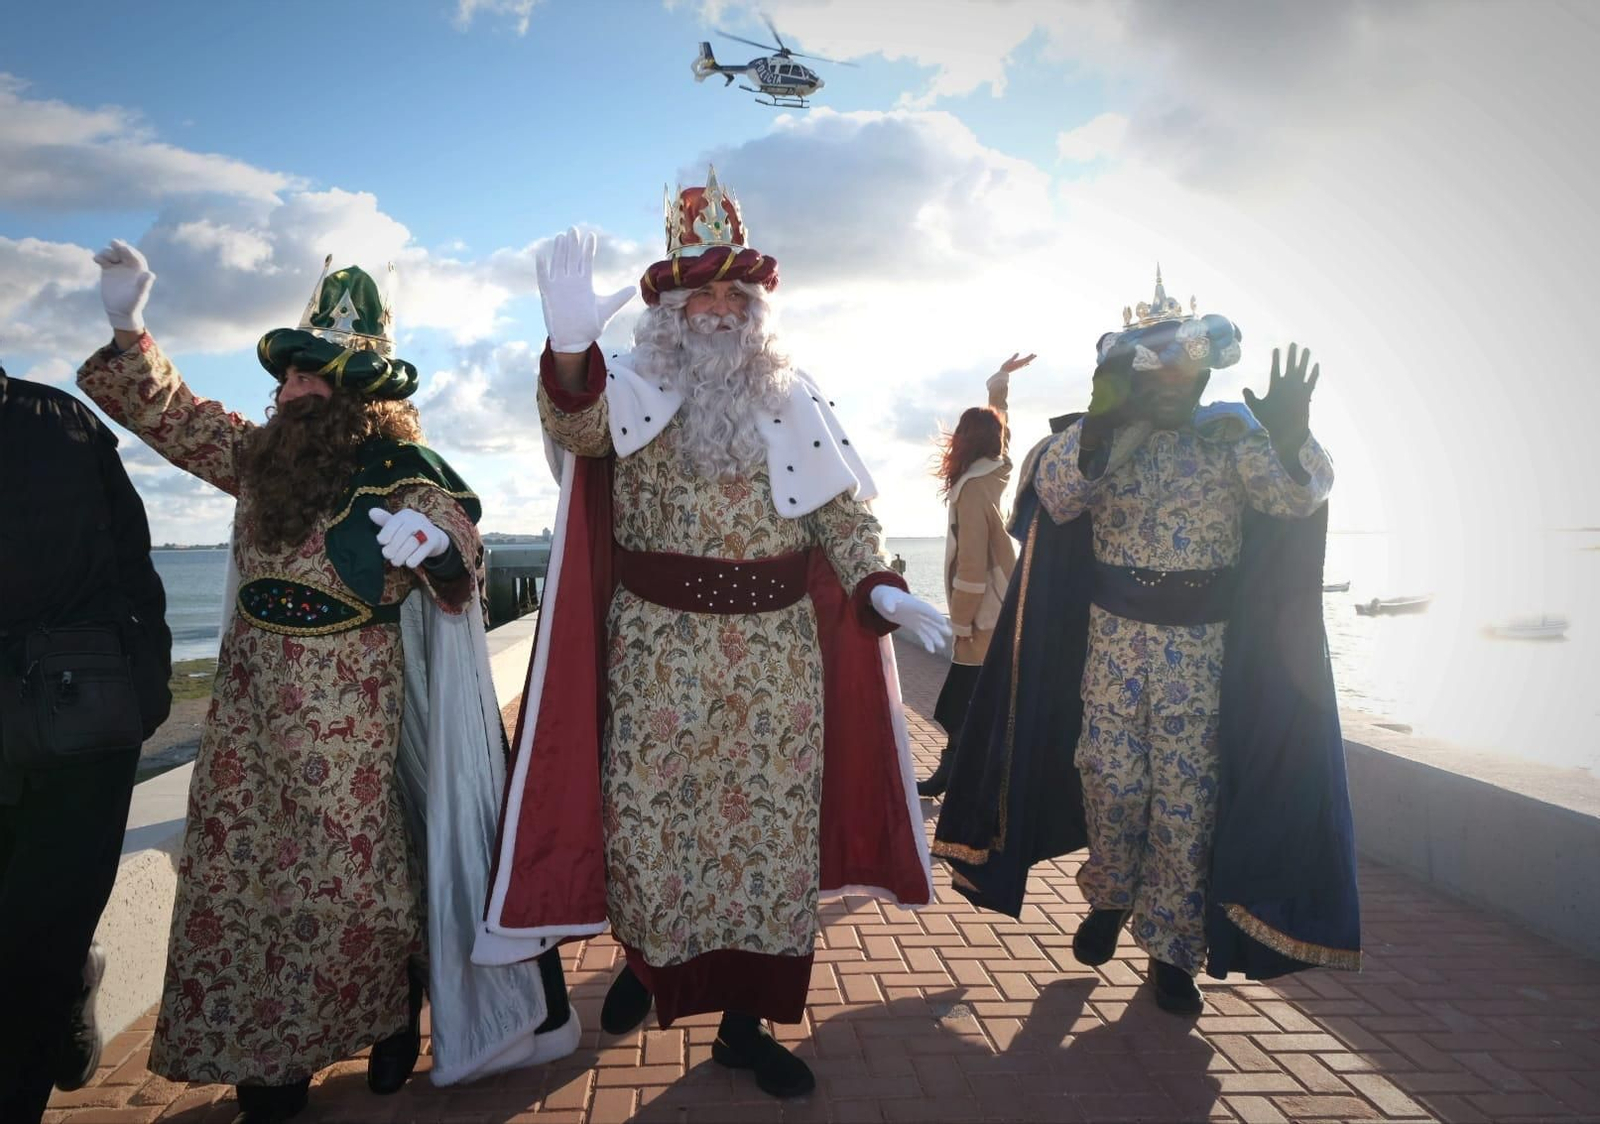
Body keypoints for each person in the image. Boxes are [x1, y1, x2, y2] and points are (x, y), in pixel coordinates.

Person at [77, 242, 575, 1122]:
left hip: (349, 715)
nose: (298, 388)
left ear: (363, 396)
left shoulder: (397, 470)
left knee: (351, 886)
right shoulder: (257, 459)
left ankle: (389, 1013)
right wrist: (130, 329)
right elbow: (176, 415)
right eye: (295, 373)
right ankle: (270, 1067)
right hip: (247, 717)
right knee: (240, 885)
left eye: (320, 376)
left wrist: (438, 550)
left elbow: (453, 528)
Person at [476, 170, 947, 1099]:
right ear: (672, 307)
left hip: (775, 663)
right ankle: (650, 969)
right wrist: (570, 353)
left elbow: (842, 519)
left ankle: (743, 1026)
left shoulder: (793, 394)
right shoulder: (634, 386)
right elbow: (576, 430)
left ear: (759, 307)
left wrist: (882, 589)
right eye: (703, 293)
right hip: (657, 656)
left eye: (737, 293)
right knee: (654, 833)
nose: (720, 309)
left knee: (767, 847)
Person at [933, 271, 1362, 1015]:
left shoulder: (1235, 437)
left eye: (1183, 367)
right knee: (1111, 782)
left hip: (1201, 652)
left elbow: (1296, 496)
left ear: (1203, 373)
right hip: (1115, 645)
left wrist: (1293, 439)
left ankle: (1171, 954)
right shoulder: (1098, 440)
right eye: (1154, 367)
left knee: (1185, 806)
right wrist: (1099, 429)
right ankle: (1111, 891)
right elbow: (1053, 499)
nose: (1170, 380)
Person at [0, 360, 173, 1124]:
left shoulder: (66, 424)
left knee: (36, 939)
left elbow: (132, 572)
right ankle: (69, 978)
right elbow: (136, 578)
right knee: (41, 935)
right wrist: (144, 694)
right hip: (88, 711)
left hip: (76, 723)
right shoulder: (66, 421)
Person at [917, 352, 1032, 797]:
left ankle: (963, 777)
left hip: (983, 611)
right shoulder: (998, 471)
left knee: (961, 700)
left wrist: (961, 621)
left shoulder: (970, 490)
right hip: (1006, 597)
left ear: (964, 441)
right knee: (976, 697)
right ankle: (963, 774)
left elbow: (970, 566)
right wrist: (999, 386)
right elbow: (1001, 427)